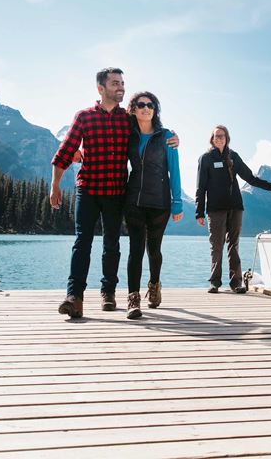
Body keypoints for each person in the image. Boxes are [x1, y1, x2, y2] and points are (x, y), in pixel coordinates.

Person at [49, 68, 177, 319]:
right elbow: (66, 151)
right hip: (87, 188)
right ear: (101, 88)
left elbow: (149, 128)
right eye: (115, 83)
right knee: (81, 242)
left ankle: (108, 292)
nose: (121, 87)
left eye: (122, 83)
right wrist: (55, 185)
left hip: (116, 190)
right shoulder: (84, 117)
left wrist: (172, 137)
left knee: (112, 244)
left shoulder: (126, 120)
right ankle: (74, 297)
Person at [195, 125, 271, 294]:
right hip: (215, 209)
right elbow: (201, 187)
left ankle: (236, 283)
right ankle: (215, 282)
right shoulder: (205, 158)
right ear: (211, 139)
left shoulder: (234, 157)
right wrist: (199, 211)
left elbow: (250, 178)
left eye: (222, 136)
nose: (219, 138)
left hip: (235, 207)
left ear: (227, 138)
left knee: (234, 245)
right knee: (217, 245)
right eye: (216, 136)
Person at [123, 92, 183, 319]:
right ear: (134, 109)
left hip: (160, 202)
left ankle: (155, 284)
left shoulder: (167, 136)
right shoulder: (129, 136)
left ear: (155, 110)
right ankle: (133, 298)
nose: (146, 108)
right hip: (134, 200)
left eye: (150, 105)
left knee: (154, 249)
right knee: (135, 249)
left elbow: (174, 171)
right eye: (141, 105)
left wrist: (177, 203)